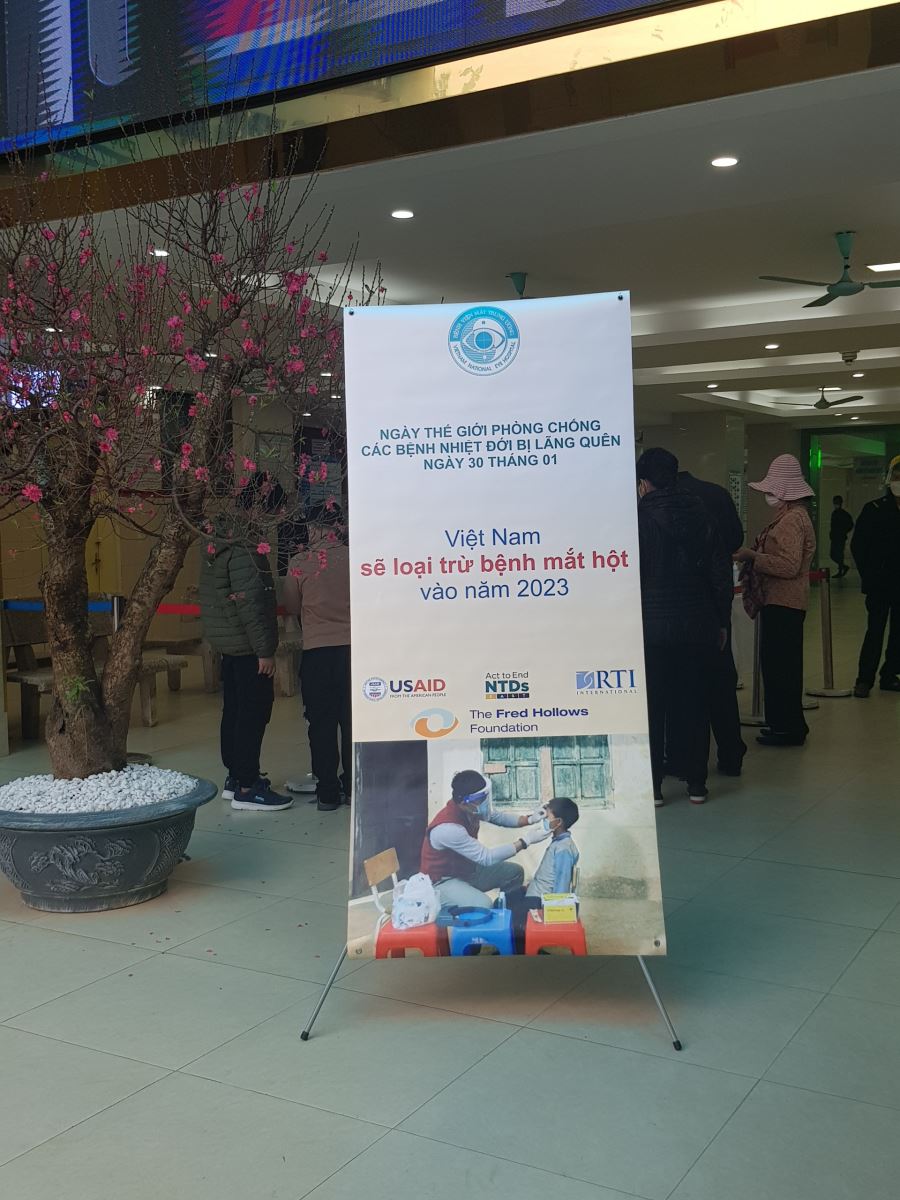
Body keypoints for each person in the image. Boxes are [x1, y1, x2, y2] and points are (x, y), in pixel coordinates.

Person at [637, 449, 732, 806]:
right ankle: (696, 784)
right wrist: (721, 619)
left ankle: (654, 787)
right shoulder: (703, 514)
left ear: (644, 483)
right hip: (698, 624)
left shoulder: (638, 519)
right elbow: (720, 572)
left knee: (653, 707)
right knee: (694, 703)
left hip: (651, 627)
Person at [200, 475, 292, 812]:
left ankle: (236, 776)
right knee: (253, 714)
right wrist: (264, 650)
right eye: (273, 513)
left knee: (235, 712)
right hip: (248, 646)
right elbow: (251, 603)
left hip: (229, 643)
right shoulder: (245, 547)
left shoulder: (218, 539)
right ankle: (248, 786)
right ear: (259, 507)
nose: (273, 521)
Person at [734, 454, 816, 747]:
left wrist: (753, 556)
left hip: (784, 602)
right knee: (781, 667)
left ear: (784, 490)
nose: (768, 494)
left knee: (781, 669)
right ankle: (783, 723)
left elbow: (789, 565)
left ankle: (787, 728)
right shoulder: (792, 516)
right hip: (785, 602)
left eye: (771, 489)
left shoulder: (792, 520)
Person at [282, 503, 352, 812]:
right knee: (352, 722)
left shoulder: (300, 562)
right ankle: (353, 787)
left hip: (317, 653)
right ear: (339, 527)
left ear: (312, 528)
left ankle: (327, 793)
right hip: (353, 652)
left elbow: (291, 606)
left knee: (321, 724)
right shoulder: (355, 558)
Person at [677, 468, 747, 775]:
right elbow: (735, 540)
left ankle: (686, 761)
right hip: (716, 604)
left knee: (686, 687)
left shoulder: (659, 503)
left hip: (679, 610)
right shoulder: (717, 494)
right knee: (720, 679)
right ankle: (731, 753)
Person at [420, 770, 550, 909]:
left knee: (514, 873)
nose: (484, 802)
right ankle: (483, 919)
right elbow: (487, 857)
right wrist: (526, 841)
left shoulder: (471, 809)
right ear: (465, 802)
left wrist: (530, 819)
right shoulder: (448, 829)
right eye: (481, 798)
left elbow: (498, 817)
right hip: (443, 880)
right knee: (484, 905)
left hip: (467, 870)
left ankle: (504, 913)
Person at [850, 455, 900, 697]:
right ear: (890, 479)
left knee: (898, 633)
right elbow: (858, 546)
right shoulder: (874, 509)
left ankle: (890, 674)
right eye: (897, 476)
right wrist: (870, 575)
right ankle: (864, 679)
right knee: (875, 631)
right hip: (879, 584)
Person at [525, 797, 580, 900]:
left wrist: (554, 907)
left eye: (547, 816)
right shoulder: (558, 842)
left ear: (558, 822)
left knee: (502, 904)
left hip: (541, 901)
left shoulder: (564, 849)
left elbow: (562, 887)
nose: (544, 819)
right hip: (536, 893)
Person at [830, 495, 854, 579]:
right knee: (834, 554)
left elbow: (850, 524)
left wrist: (843, 531)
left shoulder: (843, 514)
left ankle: (841, 570)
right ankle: (843, 568)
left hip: (840, 537)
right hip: (836, 537)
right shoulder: (836, 513)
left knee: (838, 554)